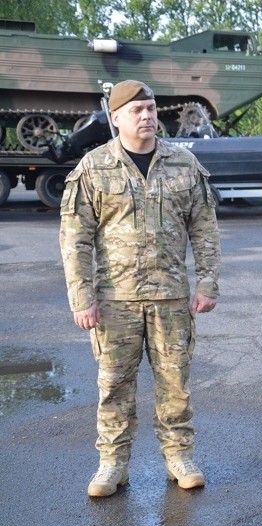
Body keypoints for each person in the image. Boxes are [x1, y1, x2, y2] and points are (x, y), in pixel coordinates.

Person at [59, 80, 221, 498]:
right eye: (137, 110)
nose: (147, 116)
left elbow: (204, 229)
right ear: (116, 119)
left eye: (150, 108)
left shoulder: (183, 164)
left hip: (170, 297)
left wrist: (206, 281)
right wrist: (82, 297)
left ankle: (179, 457)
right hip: (115, 301)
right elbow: (75, 238)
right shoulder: (94, 169)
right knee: (114, 385)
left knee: (175, 386)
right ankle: (112, 464)